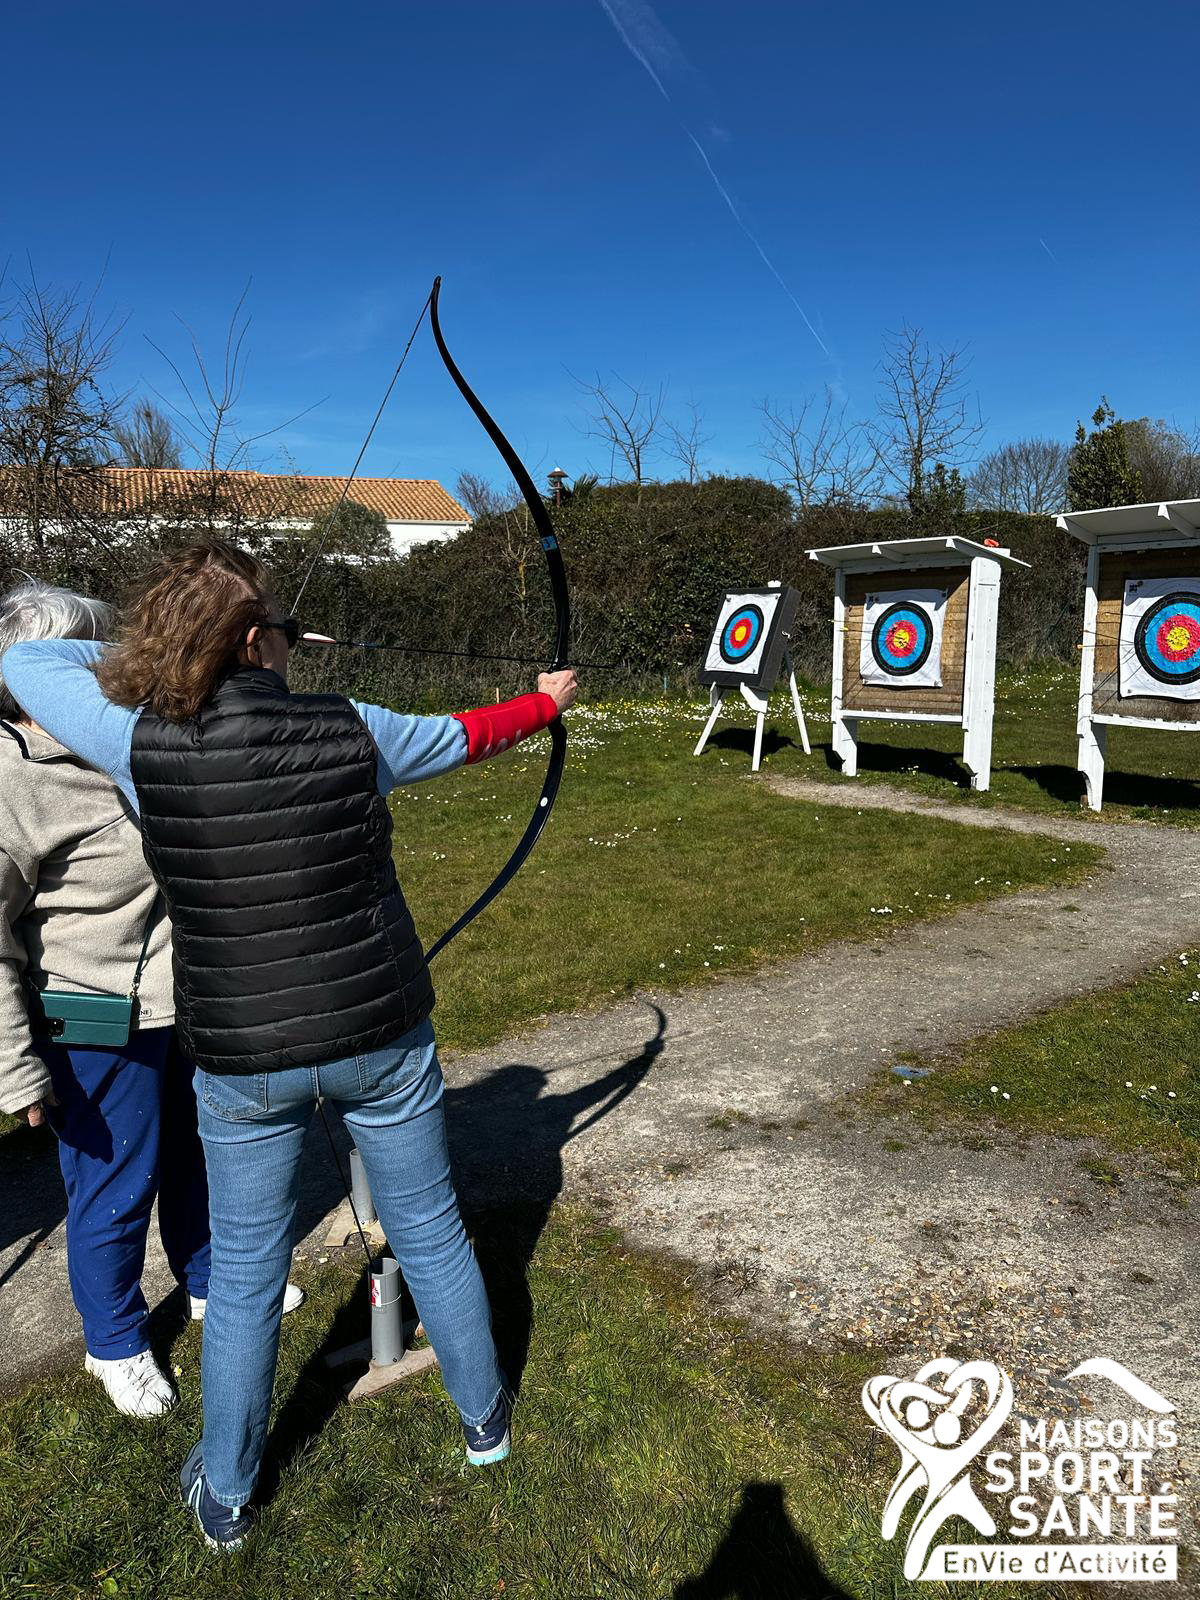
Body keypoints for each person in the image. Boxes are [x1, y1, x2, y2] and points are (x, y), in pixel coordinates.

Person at [4, 539, 578, 1553]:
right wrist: (544, 704)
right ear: (257, 638)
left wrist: (186, 645)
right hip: (379, 1030)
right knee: (432, 1226)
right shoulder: (355, 726)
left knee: (248, 1274)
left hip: (243, 1054)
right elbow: (472, 734)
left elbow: (24, 660)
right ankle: (486, 1424)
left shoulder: (136, 737)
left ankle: (225, 1494)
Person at [0, 579, 210, 1417]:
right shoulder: (13, 780)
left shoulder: (129, 741)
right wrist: (16, 1072)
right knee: (114, 1182)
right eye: (80, 657)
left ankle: (204, 1283)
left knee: (198, 1154)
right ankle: (114, 1341)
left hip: (186, 998)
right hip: (88, 1013)